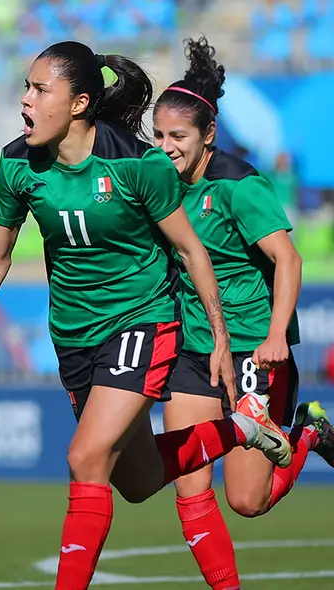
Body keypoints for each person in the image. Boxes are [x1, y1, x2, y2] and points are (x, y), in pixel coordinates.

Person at [0, 41, 292, 590]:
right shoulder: (17, 163)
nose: (25, 100)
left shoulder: (137, 164)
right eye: (26, 87)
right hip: (74, 336)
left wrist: (218, 337)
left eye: (40, 89)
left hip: (142, 322)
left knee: (85, 456)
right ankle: (240, 428)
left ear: (78, 104)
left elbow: (191, 251)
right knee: (137, 482)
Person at [152, 36, 334, 590]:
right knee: (189, 484)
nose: (165, 147)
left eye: (178, 137)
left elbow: (288, 259)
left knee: (247, 501)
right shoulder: (159, 185)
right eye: (158, 135)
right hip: (194, 350)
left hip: (255, 351)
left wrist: (277, 334)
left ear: (208, 134)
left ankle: (308, 431)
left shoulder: (238, 184)